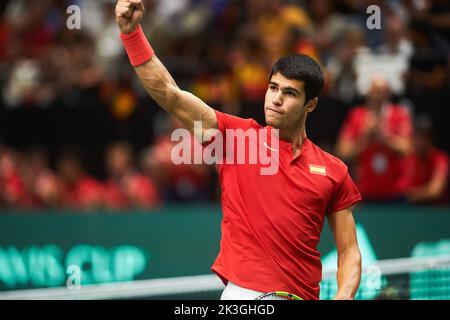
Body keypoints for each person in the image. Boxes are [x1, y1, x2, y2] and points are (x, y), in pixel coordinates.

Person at [115, 0, 362, 300]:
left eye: (290, 93)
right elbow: (171, 95)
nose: (276, 99)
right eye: (273, 87)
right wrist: (131, 34)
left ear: (310, 104)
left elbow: (349, 251)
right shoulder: (236, 139)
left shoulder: (334, 171)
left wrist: (344, 296)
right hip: (244, 297)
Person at [336, 75, 413, 202]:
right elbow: (343, 152)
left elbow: (408, 149)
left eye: (382, 91)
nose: (378, 95)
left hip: (396, 193)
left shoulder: (400, 114)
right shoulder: (357, 115)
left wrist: (385, 137)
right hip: (366, 192)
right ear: (369, 93)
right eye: (375, 90)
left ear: (389, 93)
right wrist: (366, 136)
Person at [407, 116, 449, 205]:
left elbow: (435, 191)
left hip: (438, 212)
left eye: (422, 138)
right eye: (416, 137)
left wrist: (410, 195)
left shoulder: (440, 159)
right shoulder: (410, 159)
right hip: (414, 212)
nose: (418, 142)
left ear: (430, 139)